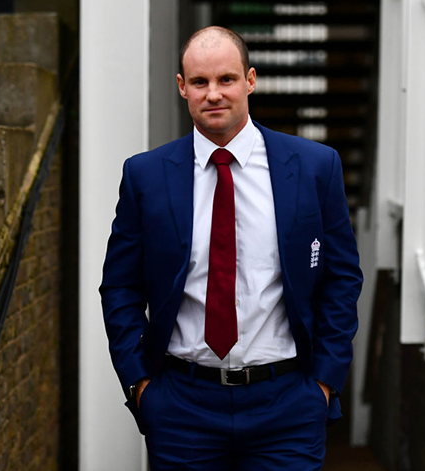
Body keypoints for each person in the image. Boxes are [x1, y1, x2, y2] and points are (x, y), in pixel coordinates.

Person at [100, 26, 363, 470]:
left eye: (226, 79)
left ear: (250, 80)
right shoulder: (145, 176)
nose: (214, 94)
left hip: (287, 403)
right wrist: (140, 385)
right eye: (200, 82)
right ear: (182, 87)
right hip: (182, 406)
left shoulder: (315, 167)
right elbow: (120, 287)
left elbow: (341, 277)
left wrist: (324, 382)